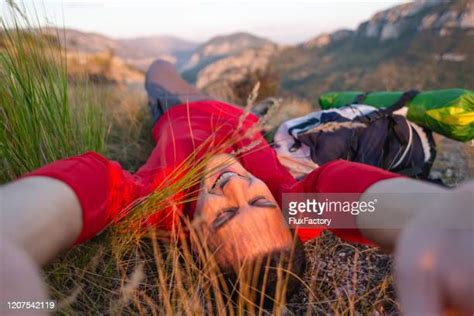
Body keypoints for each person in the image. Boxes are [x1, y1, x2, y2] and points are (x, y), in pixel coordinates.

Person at [1, 60, 473, 315]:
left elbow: (71, 197)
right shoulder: (298, 208)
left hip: (182, 108)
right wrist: (440, 217)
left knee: (159, 71)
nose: (234, 185)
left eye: (225, 214)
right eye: (258, 201)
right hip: (234, 111)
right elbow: (370, 203)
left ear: (195, 239)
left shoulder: (153, 206)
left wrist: (10, 241)